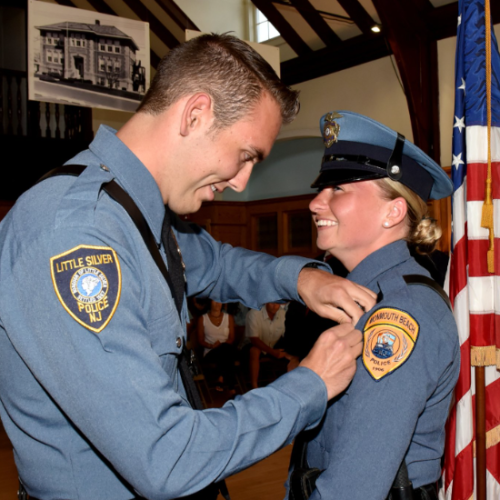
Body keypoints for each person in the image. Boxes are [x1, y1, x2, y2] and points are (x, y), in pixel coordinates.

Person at [0, 35, 377, 500]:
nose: (241, 183)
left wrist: (301, 279)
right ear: (195, 114)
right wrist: (310, 385)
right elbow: (166, 457)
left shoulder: (135, 209)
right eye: (246, 156)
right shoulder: (76, 234)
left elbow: (215, 263)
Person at [286, 111, 460, 500]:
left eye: (338, 190)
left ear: (392, 211)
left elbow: (353, 487)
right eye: (320, 190)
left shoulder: (401, 314)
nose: (316, 203)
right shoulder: (360, 296)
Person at [244, 302, 295, 388]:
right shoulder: (254, 313)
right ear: (266, 302)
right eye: (272, 303)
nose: (275, 305)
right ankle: (254, 386)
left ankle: (289, 386)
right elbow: (254, 340)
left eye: (277, 303)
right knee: (254, 350)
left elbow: (286, 336)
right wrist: (273, 352)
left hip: (272, 344)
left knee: (293, 351)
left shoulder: (282, 314)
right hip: (249, 347)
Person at [197, 300, 238, 394]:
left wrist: (222, 345)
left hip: (226, 350)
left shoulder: (229, 317)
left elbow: (231, 338)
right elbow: (200, 340)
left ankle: (221, 377)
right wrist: (211, 345)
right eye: (215, 301)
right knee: (226, 351)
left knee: (225, 349)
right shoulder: (202, 319)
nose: (217, 303)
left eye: (220, 300)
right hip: (211, 351)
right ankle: (230, 386)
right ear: (210, 302)